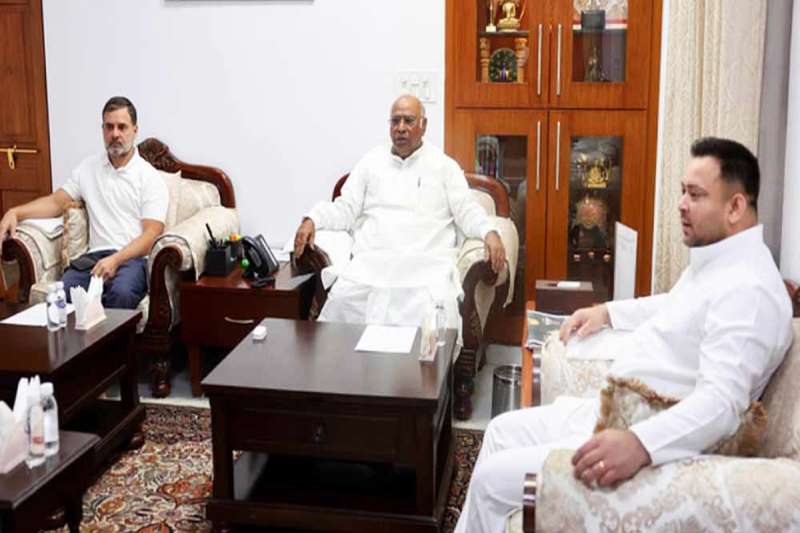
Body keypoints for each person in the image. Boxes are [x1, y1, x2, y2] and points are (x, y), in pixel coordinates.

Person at [455, 137, 794, 533]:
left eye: (696, 195)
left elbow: (721, 404)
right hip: (618, 411)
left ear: (735, 206)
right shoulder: (723, 261)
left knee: (493, 482)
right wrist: (608, 313)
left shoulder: (750, 292)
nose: (682, 204)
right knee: (500, 431)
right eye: (683, 191)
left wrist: (640, 444)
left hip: (648, 435)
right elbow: (676, 305)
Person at [293, 95, 506, 329]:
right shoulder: (370, 162)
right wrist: (313, 219)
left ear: (423, 125)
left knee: (431, 315)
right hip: (372, 267)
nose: (401, 128)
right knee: (341, 304)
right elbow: (345, 208)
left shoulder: (444, 166)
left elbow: (467, 210)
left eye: (408, 121)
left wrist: (489, 232)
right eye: (395, 121)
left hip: (425, 268)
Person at [0, 96, 168, 310]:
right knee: (63, 294)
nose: (115, 134)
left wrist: (116, 260)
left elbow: (151, 235)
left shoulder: (149, 177)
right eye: (109, 127)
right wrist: (16, 212)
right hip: (93, 259)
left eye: (122, 127)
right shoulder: (88, 168)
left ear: (135, 130)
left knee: (122, 293)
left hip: (131, 260)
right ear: (102, 129)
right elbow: (56, 202)